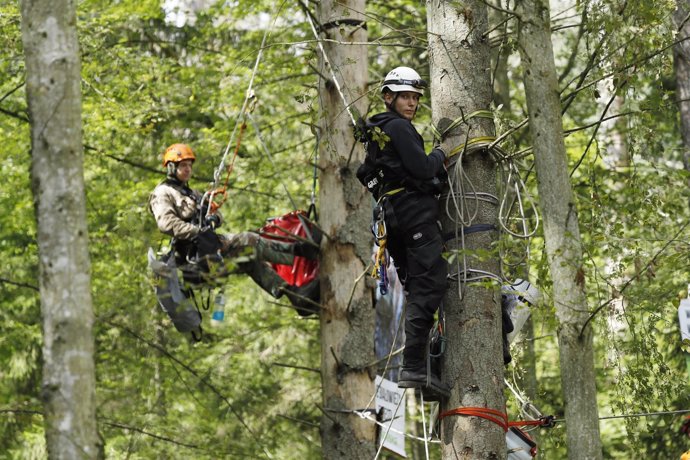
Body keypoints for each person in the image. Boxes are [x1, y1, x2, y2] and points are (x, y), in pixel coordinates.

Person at [357, 67, 451, 398]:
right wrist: (445, 151)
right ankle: (413, 368)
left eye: (415, 98)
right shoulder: (397, 127)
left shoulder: (377, 133)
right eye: (405, 97)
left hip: (393, 219)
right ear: (388, 97)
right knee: (430, 284)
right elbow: (424, 167)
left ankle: (424, 372)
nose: (411, 103)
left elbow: (368, 174)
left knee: (417, 289)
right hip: (412, 217)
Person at [149, 143, 319, 316]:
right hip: (194, 263)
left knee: (248, 254)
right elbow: (166, 223)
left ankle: (296, 296)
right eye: (183, 165)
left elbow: (216, 214)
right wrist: (197, 231)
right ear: (171, 167)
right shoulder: (163, 192)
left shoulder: (193, 194)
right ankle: (299, 250)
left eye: (189, 165)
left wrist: (214, 219)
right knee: (247, 239)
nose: (188, 169)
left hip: (210, 252)